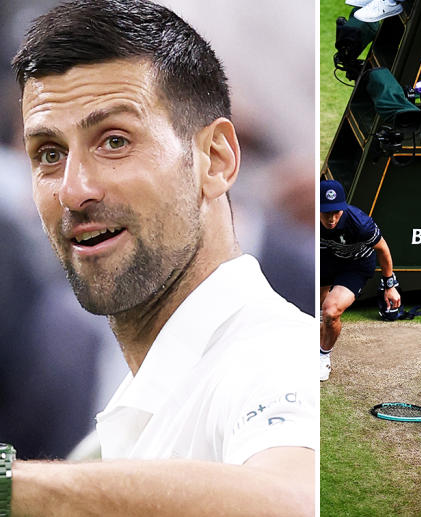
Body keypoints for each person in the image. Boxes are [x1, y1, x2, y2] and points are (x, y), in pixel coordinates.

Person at [8, 1, 317, 515]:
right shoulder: (111, 438)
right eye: (48, 153)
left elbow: (299, 500)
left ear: (215, 159)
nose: (73, 189)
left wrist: (9, 486)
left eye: (114, 140)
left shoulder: (276, 359)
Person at [319, 178, 401, 381]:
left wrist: (389, 285)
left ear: (343, 208)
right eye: (325, 212)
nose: (331, 219)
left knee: (330, 312)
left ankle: (322, 357)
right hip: (326, 259)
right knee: (316, 312)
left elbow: (383, 250)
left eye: (336, 212)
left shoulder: (360, 223)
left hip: (355, 265)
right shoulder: (306, 217)